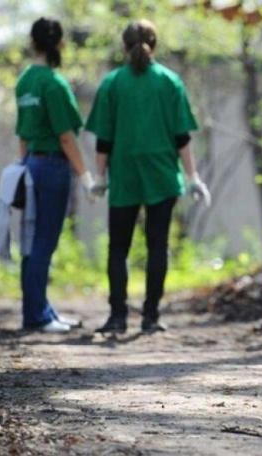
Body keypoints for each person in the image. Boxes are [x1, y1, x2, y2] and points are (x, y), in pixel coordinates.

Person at [85, 19, 210, 334]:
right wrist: (193, 176)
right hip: (161, 175)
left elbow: (104, 140)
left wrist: (99, 178)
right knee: (158, 246)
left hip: (125, 174)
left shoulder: (113, 83)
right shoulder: (169, 82)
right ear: (154, 45)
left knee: (118, 248)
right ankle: (151, 317)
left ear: (124, 46)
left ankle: (117, 318)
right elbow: (182, 137)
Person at [15, 17, 95, 333]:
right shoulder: (54, 83)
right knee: (44, 242)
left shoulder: (24, 82)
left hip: (30, 164)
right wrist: (86, 176)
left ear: (32, 43)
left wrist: (22, 169)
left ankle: (38, 309)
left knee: (30, 241)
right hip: (52, 168)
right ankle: (38, 316)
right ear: (59, 44)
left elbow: (22, 134)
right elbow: (66, 137)